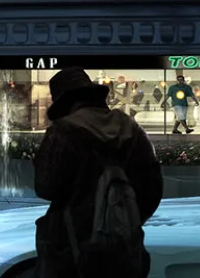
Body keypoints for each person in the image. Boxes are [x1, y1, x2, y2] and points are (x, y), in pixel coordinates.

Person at [33, 67, 162, 278]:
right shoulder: (130, 127)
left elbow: (46, 187)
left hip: (71, 248)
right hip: (124, 249)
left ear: (64, 103)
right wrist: (122, 218)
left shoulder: (63, 131)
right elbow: (153, 188)